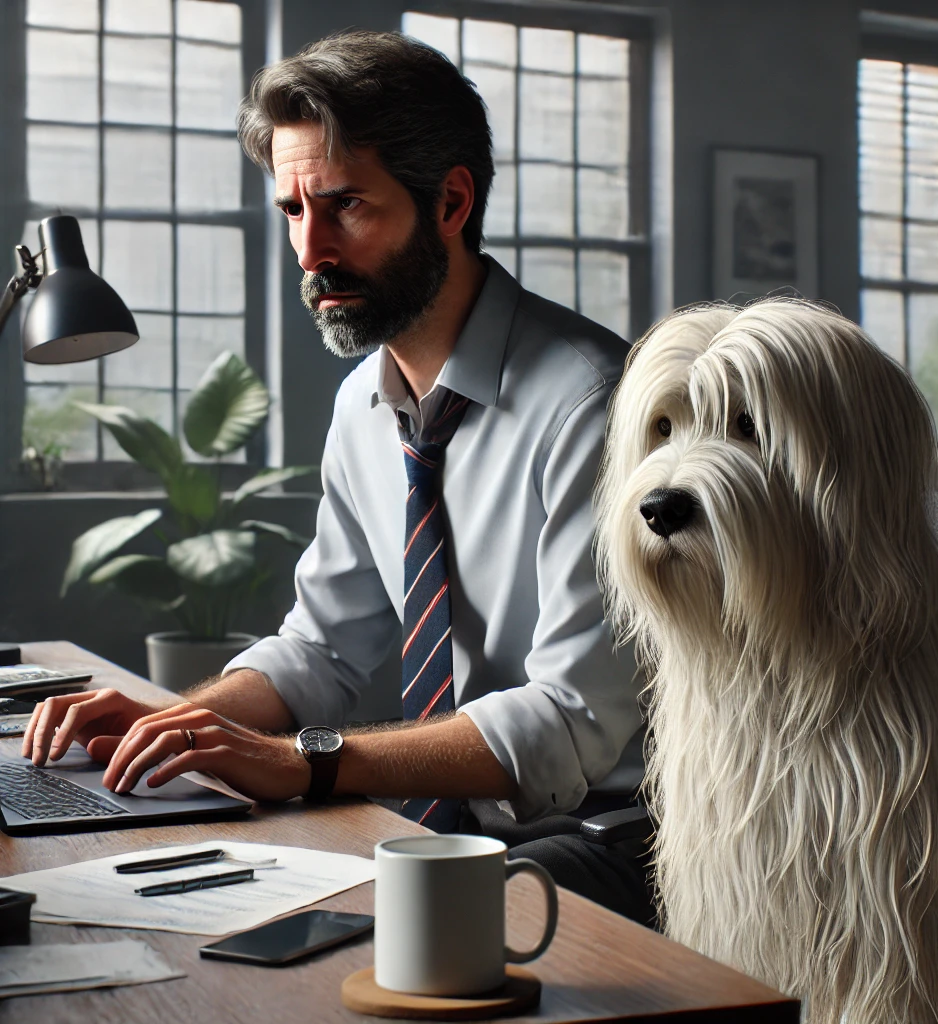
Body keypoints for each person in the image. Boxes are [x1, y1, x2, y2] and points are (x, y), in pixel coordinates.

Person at [23, 31, 650, 922]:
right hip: (448, 828)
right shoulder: (365, 401)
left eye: (345, 205)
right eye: (291, 209)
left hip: (608, 833)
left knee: (359, 942)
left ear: (450, 202)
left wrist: (305, 758)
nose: (311, 250)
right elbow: (321, 648)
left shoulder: (596, 403)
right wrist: (180, 723)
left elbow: (571, 720)